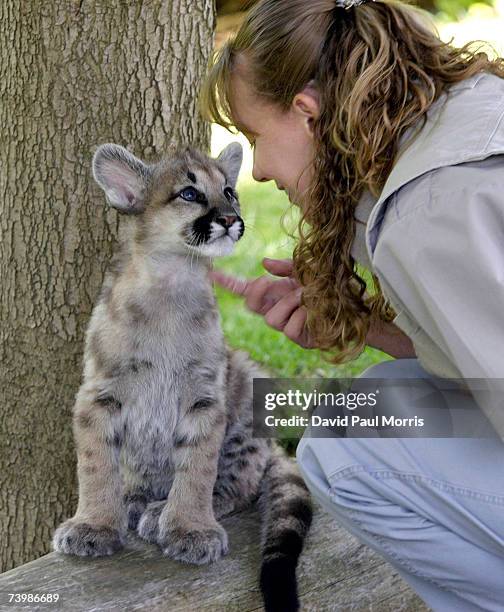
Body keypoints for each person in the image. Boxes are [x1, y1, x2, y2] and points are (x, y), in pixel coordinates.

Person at [200, 0, 504, 609]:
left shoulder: (427, 208)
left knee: (343, 445)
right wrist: (361, 325)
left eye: (255, 137)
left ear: (308, 113)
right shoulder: (469, 112)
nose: (256, 171)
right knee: (372, 403)